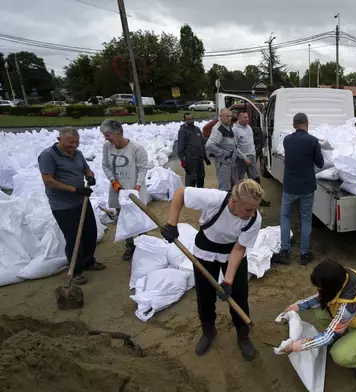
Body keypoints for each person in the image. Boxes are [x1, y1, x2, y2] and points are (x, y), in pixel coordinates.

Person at [159, 179, 263, 360]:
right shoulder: (215, 199)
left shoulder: (254, 219)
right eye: (248, 209)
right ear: (234, 201)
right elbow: (181, 193)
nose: (252, 213)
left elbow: (238, 249)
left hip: (232, 253)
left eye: (255, 208)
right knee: (205, 295)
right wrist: (172, 224)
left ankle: (243, 335)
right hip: (205, 252)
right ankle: (208, 330)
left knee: (238, 295)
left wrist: (228, 281)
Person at [281, 260, 356, 378]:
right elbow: (321, 297)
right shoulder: (344, 276)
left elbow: (328, 336)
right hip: (355, 321)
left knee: (339, 355)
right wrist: (296, 307)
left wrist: (295, 346)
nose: (318, 289)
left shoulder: (349, 305)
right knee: (319, 312)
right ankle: (346, 340)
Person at [38, 127, 106, 285]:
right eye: (70, 142)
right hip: (62, 205)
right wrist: (75, 189)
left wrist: (90, 176)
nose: (74, 145)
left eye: (77, 142)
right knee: (74, 237)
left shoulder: (78, 154)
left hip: (81, 201)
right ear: (59, 139)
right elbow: (48, 180)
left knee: (90, 232)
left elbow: (86, 169)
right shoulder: (48, 156)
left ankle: (89, 261)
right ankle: (75, 270)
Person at [272, 113, 324, 266]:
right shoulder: (313, 141)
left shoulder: (287, 140)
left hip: (290, 186)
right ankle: (304, 253)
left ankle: (285, 251)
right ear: (307, 123)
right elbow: (320, 164)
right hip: (307, 186)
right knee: (306, 218)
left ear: (294, 124)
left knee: (285, 217)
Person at [100, 119, 149, 261]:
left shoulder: (136, 148)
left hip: (135, 190)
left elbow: (142, 168)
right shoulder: (107, 146)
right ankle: (130, 246)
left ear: (119, 133)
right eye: (104, 135)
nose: (106, 138)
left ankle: (144, 245)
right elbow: (105, 165)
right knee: (124, 219)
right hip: (118, 191)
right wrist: (114, 182)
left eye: (108, 135)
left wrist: (136, 188)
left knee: (140, 218)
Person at [233, 111, 271, 207]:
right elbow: (234, 147)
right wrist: (244, 157)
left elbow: (251, 143)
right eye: (244, 117)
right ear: (239, 118)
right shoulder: (235, 130)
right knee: (239, 181)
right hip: (241, 159)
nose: (247, 119)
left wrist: (254, 154)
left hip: (251, 157)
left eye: (247, 117)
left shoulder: (249, 128)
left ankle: (259, 199)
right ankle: (238, 200)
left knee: (256, 180)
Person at [205, 108, 239, 191]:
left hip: (231, 162)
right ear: (220, 116)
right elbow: (209, 145)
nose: (229, 118)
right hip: (224, 164)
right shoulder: (218, 129)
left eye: (230, 116)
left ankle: (231, 203)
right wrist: (222, 154)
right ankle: (224, 203)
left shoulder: (227, 126)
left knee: (234, 186)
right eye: (227, 116)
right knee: (225, 188)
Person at [177, 113, 210, 188]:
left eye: (192, 119)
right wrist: (182, 160)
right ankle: (189, 195)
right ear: (184, 120)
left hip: (199, 159)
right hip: (190, 160)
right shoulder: (183, 131)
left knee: (201, 177)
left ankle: (199, 193)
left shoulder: (197, 129)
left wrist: (205, 158)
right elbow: (180, 147)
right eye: (188, 119)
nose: (191, 121)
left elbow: (201, 145)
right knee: (192, 178)